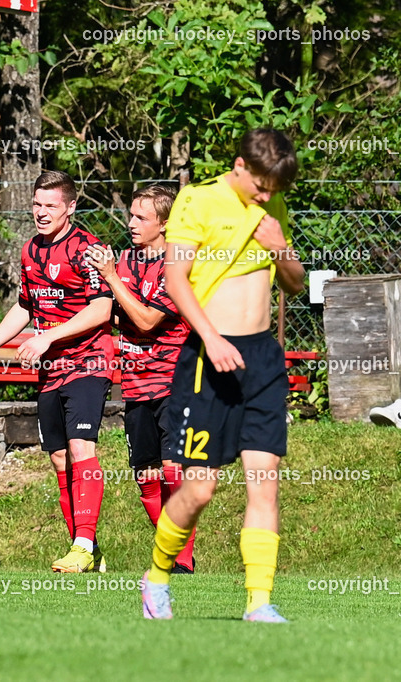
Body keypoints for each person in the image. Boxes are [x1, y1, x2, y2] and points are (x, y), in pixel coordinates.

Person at [139, 129, 303, 623]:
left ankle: (259, 602)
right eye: (260, 187)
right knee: (200, 490)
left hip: (263, 361)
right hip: (208, 359)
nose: (267, 197)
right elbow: (175, 278)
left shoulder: (273, 207)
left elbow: (293, 285)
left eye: (274, 190)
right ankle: (156, 579)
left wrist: (280, 247)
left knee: (264, 480)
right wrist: (210, 336)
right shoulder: (198, 202)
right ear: (239, 166)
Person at [0, 170, 113, 573]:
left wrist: (49, 337)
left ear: (70, 207)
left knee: (82, 448)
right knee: (59, 460)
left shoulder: (87, 248)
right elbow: (25, 307)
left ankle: (83, 545)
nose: (41, 212)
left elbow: (102, 309)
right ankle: (86, 546)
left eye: (51, 205)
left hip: (89, 360)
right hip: (53, 370)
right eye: (37, 204)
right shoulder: (31, 249)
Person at [84, 185, 195, 573]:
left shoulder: (177, 262)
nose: (131, 223)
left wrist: (112, 280)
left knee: (172, 471)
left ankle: (180, 560)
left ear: (165, 224)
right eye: (131, 215)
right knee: (146, 477)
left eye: (141, 217)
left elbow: (148, 320)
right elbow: (111, 314)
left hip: (173, 383)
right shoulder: (126, 260)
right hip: (134, 383)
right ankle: (172, 548)